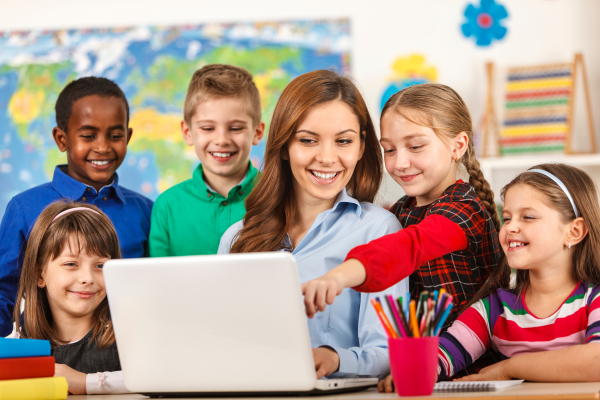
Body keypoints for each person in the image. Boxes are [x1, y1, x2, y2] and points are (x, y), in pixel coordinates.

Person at [301, 83, 503, 377]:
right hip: (416, 372)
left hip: (470, 371)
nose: (399, 163)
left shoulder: (463, 209)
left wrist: (339, 276)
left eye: (415, 146)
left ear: (458, 145)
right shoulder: (400, 210)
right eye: (389, 150)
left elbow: (408, 247)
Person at [218, 70, 408, 380]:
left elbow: (389, 351)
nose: (327, 157)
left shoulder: (379, 229)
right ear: (283, 146)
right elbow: (219, 344)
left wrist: (334, 359)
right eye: (308, 140)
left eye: (343, 141)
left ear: (361, 147)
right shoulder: (236, 238)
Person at [379, 164, 600, 391]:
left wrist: (509, 368)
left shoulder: (594, 300)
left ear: (574, 231)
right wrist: (413, 371)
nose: (511, 227)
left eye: (528, 217)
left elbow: (596, 362)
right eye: (507, 218)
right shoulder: (493, 309)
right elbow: (442, 355)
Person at [0, 77, 152, 337]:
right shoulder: (24, 208)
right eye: (88, 136)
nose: (103, 147)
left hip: (125, 352)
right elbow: (5, 291)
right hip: (48, 354)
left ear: (128, 136)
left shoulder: (145, 210)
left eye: (115, 136)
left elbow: (153, 287)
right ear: (61, 139)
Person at [11, 201, 131, 394]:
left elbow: (162, 378)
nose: (87, 278)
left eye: (100, 265)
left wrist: (86, 382)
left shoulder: (129, 336)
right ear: (39, 275)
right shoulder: (20, 343)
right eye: (71, 264)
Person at [148, 64, 265, 257]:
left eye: (235, 128)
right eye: (208, 128)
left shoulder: (279, 196)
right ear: (187, 133)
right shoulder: (167, 207)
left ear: (257, 132)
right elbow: (158, 279)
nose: (221, 140)